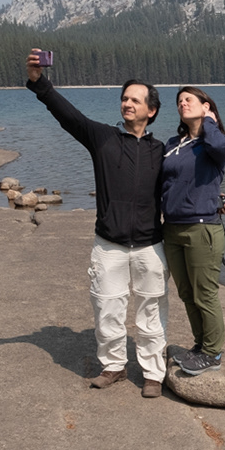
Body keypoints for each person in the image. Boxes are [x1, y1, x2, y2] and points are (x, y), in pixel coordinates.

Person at [24, 51, 168, 398]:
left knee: (152, 312)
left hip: (150, 246)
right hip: (109, 245)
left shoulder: (163, 151)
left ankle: (152, 373)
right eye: (124, 98)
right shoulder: (103, 139)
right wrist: (38, 82)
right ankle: (114, 366)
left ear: (151, 110)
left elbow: (188, 186)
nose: (127, 104)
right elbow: (67, 115)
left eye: (135, 99)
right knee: (107, 307)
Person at [162, 87, 225, 376]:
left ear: (206, 106)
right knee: (186, 293)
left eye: (188, 99)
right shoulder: (172, 143)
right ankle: (200, 344)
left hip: (202, 229)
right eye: (179, 101)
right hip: (172, 229)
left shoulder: (214, 142)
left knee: (205, 293)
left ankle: (213, 352)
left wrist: (210, 124)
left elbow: (222, 150)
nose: (182, 104)